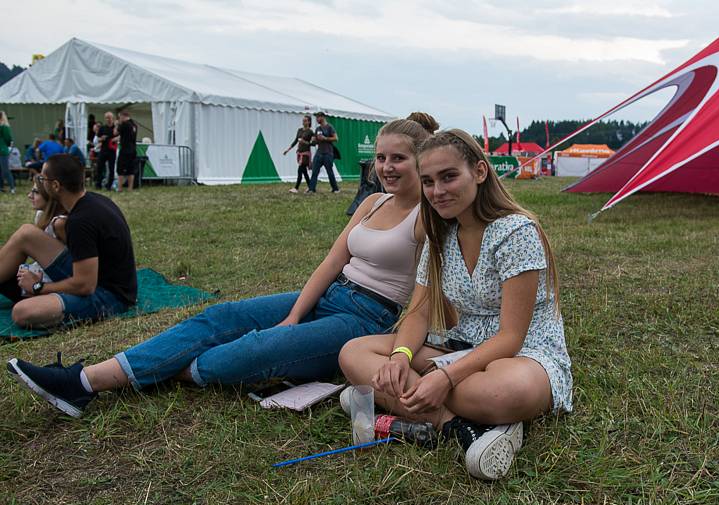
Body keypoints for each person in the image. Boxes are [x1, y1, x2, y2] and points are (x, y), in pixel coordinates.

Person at [6, 118, 434, 418]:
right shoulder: (371, 202)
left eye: (398, 158)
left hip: (364, 320)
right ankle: (83, 382)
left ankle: (146, 369)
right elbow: (330, 263)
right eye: (380, 158)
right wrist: (295, 314)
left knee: (247, 353)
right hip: (329, 296)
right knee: (220, 316)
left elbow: (426, 293)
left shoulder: (430, 218)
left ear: (421, 161)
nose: (386, 167)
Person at [339, 129, 573, 480]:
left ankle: (400, 403)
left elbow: (511, 337)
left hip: (524, 354)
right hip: (461, 348)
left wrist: (445, 378)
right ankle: (459, 427)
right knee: (353, 353)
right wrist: (401, 357)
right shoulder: (441, 235)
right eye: (429, 181)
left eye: (449, 177)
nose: (437, 191)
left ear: (479, 172)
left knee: (501, 392)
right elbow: (417, 313)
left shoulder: (516, 231)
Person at [0, 153, 137, 330]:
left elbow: (85, 285)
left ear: (56, 185)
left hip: (109, 295)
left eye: (43, 178)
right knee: (27, 233)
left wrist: (38, 286)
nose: (40, 183)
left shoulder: (80, 221)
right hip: (101, 279)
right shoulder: (95, 200)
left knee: (22, 312)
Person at [308, 111, 339, 194]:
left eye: (318, 117)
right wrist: (314, 140)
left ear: (322, 117)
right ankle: (311, 189)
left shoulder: (329, 127)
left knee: (329, 172)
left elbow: (336, 138)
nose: (317, 119)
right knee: (314, 171)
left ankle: (335, 189)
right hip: (319, 152)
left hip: (328, 153)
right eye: (316, 117)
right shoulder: (317, 129)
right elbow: (315, 142)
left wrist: (325, 138)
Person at [283, 115, 314, 193]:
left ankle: (296, 188)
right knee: (304, 171)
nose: (303, 122)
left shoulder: (310, 132)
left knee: (300, 170)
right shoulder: (299, 130)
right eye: (303, 120)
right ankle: (311, 187)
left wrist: (304, 142)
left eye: (305, 120)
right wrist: (288, 149)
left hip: (306, 154)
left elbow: (313, 143)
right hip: (299, 153)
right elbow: (295, 141)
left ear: (309, 122)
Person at [115, 111, 137, 192]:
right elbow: (125, 135)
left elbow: (115, 132)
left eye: (120, 117)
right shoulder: (134, 125)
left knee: (120, 169)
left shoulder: (124, 124)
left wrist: (117, 124)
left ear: (123, 116)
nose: (119, 118)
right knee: (131, 170)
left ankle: (120, 188)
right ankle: (130, 188)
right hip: (133, 149)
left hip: (125, 150)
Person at [96, 112, 116, 190]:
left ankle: (109, 185)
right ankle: (98, 184)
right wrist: (101, 138)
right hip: (103, 150)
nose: (108, 119)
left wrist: (115, 139)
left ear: (112, 118)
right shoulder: (102, 128)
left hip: (112, 150)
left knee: (111, 169)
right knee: (99, 167)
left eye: (109, 118)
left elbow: (120, 136)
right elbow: (98, 138)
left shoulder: (115, 128)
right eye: (106, 118)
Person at [0, 111, 15, 193]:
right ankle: (1, 188)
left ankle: (12, 188)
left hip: (2, 151)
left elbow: (8, 139)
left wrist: (8, 146)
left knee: (5, 170)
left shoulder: (4, 127)